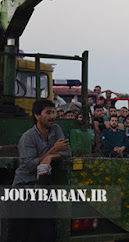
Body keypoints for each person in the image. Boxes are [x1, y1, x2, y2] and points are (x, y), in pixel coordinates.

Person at [11, 99, 71, 240]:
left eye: (53, 112)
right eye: (48, 113)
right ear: (37, 116)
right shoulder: (28, 137)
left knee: (45, 233)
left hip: (42, 189)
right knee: (21, 234)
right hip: (23, 189)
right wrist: (53, 150)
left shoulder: (56, 130)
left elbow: (68, 152)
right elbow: (30, 165)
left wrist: (49, 157)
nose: (52, 116)